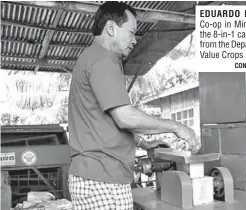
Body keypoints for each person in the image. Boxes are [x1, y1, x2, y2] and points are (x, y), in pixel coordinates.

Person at [67, 2, 199, 210]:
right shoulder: (102, 60)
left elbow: (105, 121)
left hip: (97, 177)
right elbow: (125, 117)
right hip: (103, 181)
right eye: (131, 32)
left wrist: (144, 143)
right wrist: (176, 126)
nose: (134, 40)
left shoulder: (93, 58)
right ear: (111, 28)